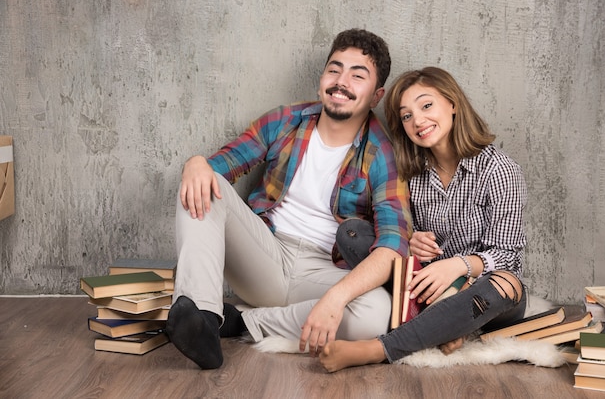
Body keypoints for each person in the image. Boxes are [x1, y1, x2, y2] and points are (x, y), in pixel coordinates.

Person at [165, 28, 412, 369]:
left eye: (358, 76)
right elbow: (219, 167)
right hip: (264, 253)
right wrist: (195, 164)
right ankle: (202, 316)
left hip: (323, 272)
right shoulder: (286, 120)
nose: (341, 82)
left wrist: (336, 299)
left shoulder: (383, 155)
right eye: (334, 69)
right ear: (322, 77)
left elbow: (392, 249)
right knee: (200, 185)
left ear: (376, 96)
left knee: (376, 312)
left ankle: (242, 322)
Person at [319, 67, 528, 372]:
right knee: (353, 232)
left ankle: (377, 349)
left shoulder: (498, 169)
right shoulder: (409, 170)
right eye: (406, 116)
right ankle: (446, 326)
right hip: (422, 285)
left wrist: (458, 265)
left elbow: (508, 255)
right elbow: (386, 227)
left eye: (426, 105)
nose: (417, 120)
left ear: (452, 103)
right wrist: (409, 239)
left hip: (480, 290)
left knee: (507, 284)